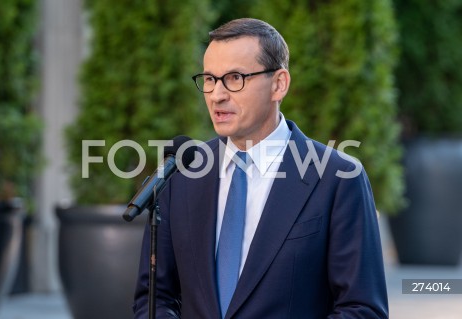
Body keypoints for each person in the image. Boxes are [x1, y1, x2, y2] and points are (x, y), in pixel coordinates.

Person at [132, 18, 388, 319]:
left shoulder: (338, 178)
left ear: (279, 84)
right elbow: (154, 299)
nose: (217, 95)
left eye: (235, 78)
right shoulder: (181, 174)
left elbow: (362, 309)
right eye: (210, 79)